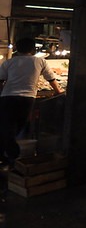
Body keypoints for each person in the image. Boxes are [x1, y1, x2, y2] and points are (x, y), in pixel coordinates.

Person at [0, 37, 63, 166]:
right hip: (27, 99)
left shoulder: (9, 62)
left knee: (7, 127)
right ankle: (13, 156)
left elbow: (0, 81)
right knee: (20, 126)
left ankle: (9, 156)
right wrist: (59, 92)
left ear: (17, 49)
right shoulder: (40, 61)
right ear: (33, 49)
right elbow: (51, 79)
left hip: (7, 97)